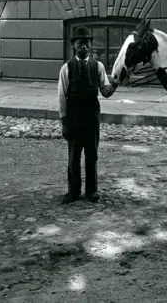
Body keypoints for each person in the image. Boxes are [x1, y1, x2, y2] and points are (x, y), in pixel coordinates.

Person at [57, 27, 118, 204]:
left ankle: (92, 191)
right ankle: (73, 191)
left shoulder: (97, 66)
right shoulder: (66, 68)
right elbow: (62, 96)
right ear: (74, 46)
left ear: (90, 46)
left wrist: (114, 84)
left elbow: (105, 91)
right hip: (74, 116)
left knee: (92, 154)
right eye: (80, 43)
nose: (84, 47)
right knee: (74, 156)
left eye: (87, 43)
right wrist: (64, 121)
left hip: (92, 116)